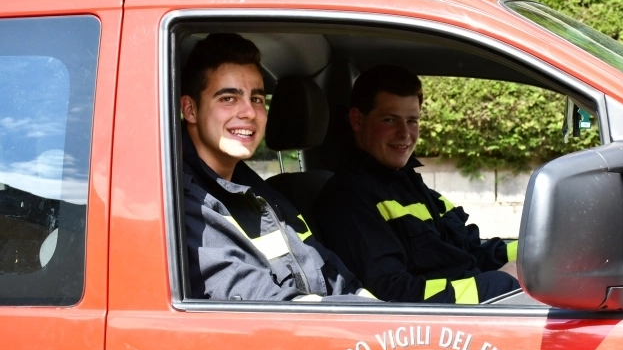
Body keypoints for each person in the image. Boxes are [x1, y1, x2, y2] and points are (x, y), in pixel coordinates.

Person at [180, 32, 373, 302]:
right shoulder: (185, 202)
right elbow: (267, 305)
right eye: (228, 98)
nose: (249, 112)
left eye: (257, 99)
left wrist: (373, 306)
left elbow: (333, 275)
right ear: (190, 110)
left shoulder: (259, 191)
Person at [314, 64, 519, 303]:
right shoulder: (349, 199)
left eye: (412, 121)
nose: (405, 133)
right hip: (446, 321)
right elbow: (393, 294)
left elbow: (470, 250)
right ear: (357, 120)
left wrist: (534, 252)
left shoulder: (408, 184)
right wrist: (501, 283)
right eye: (390, 120)